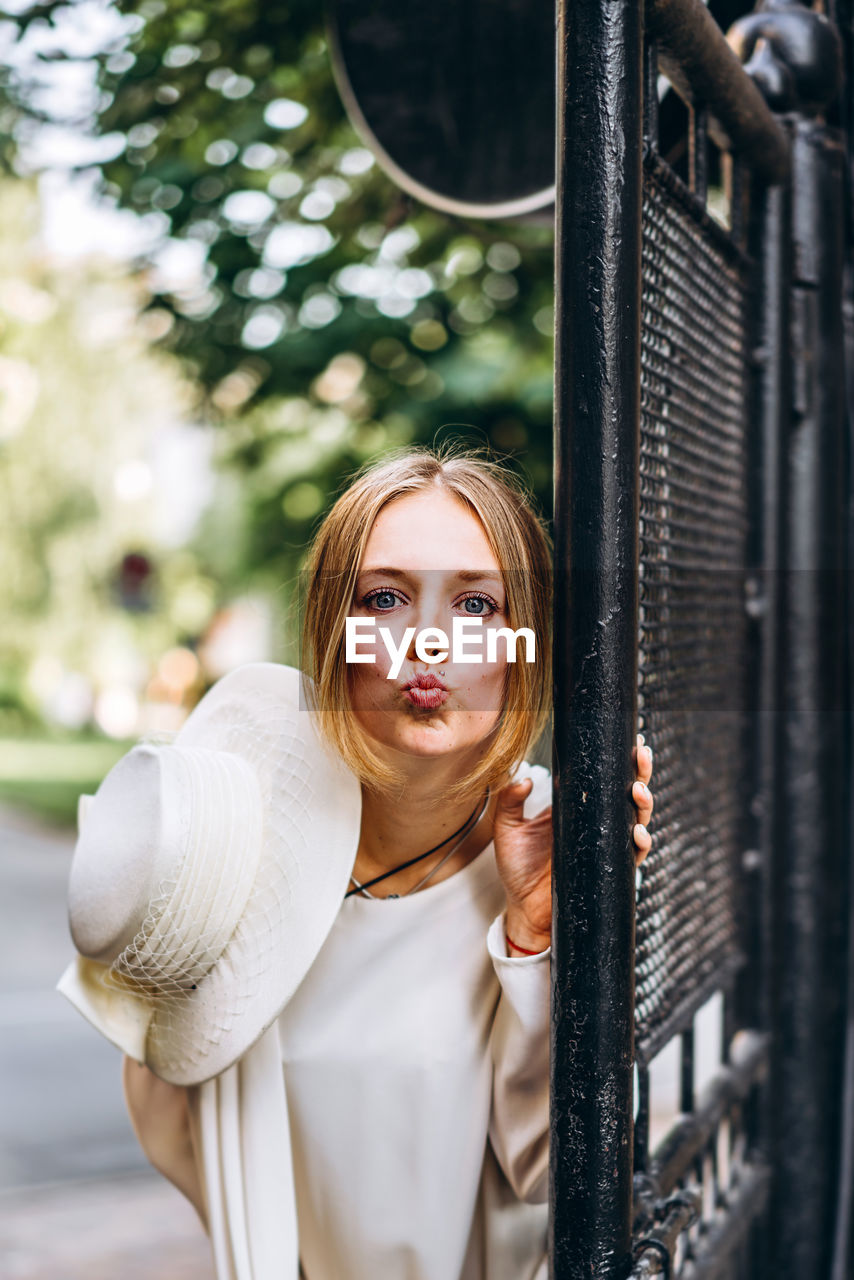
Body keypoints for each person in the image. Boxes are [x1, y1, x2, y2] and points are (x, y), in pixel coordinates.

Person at [120, 447, 654, 1280]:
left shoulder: (557, 842)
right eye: (384, 599)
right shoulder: (239, 857)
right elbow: (179, 1114)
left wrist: (537, 936)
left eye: (476, 604)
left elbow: (559, 1173)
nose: (429, 642)